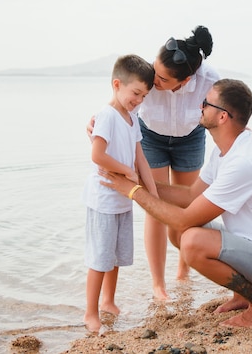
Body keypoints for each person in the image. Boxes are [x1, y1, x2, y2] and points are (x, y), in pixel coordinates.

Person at [99, 79, 252, 327]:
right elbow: (190, 195)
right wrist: (136, 176)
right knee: (180, 233)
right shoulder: (226, 150)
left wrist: (133, 191)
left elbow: (185, 217)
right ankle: (243, 295)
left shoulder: (243, 161)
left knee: (192, 241)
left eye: (205, 102)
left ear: (222, 117)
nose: (200, 106)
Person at [89, 25, 220, 300]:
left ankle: (184, 269)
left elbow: (225, 112)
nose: (153, 79)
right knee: (155, 205)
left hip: (190, 138)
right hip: (150, 137)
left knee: (187, 203)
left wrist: (244, 134)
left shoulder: (208, 81)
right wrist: (97, 120)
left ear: (183, 82)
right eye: (154, 69)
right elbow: (122, 100)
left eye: (161, 78)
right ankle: (158, 284)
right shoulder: (148, 75)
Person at [81, 54, 158, 333]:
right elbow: (97, 154)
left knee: (115, 256)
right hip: (103, 198)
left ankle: (108, 302)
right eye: (135, 93)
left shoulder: (132, 119)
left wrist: (153, 195)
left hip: (123, 200)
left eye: (144, 95)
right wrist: (126, 172)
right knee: (100, 258)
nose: (139, 100)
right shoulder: (106, 115)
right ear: (117, 84)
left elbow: (141, 159)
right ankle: (91, 313)